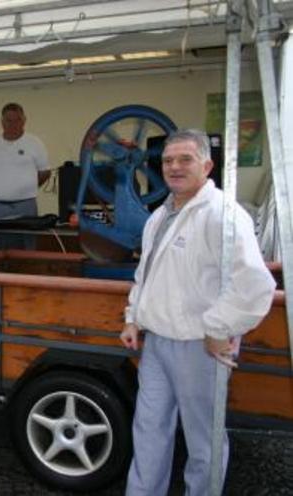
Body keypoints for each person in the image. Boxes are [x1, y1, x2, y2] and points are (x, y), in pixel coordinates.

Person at [120, 129, 276, 495]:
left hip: (200, 346)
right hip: (157, 343)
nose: (174, 167)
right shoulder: (160, 216)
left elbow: (256, 284)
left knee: (203, 441)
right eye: (168, 161)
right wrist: (133, 317)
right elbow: (146, 273)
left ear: (206, 165)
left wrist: (219, 328)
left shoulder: (223, 215)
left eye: (184, 159)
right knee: (148, 431)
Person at [0, 102, 50, 250]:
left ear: (24, 120)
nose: (13, 124)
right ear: (2, 121)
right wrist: (3, 187)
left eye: (17, 120)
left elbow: (45, 172)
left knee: (27, 246)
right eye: (8, 120)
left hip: (26, 206)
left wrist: (27, 187)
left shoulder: (34, 143)